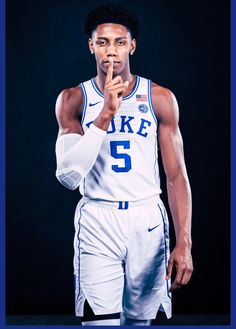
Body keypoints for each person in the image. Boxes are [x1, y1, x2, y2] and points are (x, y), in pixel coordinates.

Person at [55, 4, 193, 326]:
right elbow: (69, 177)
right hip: (98, 218)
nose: (111, 51)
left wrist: (184, 241)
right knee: (101, 322)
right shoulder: (74, 99)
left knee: (141, 323)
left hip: (146, 217)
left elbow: (176, 177)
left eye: (119, 42)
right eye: (102, 42)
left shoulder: (158, 98)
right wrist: (105, 115)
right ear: (91, 46)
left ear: (132, 45)